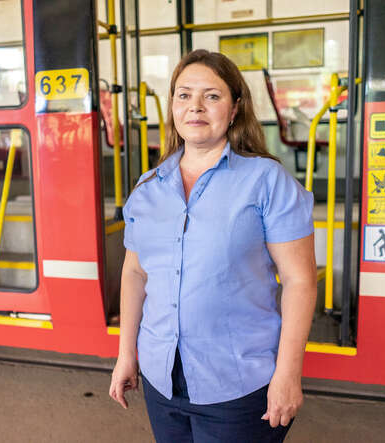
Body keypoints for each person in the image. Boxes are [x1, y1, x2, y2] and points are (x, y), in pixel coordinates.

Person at [109, 49, 317, 442]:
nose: (196, 107)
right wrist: (126, 355)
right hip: (160, 378)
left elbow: (300, 281)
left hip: (237, 384)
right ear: (172, 105)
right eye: (184, 95)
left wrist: (288, 375)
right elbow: (135, 272)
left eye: (212, 96)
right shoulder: (148, 187)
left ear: (235, 107)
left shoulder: (266, 181)